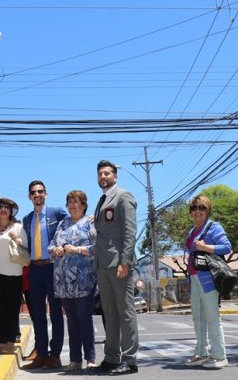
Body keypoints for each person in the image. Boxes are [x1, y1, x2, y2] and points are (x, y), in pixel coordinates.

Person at [93, 160, 139, 375]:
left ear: (115, 176)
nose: (103, 177)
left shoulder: (123, 196)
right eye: (100, 174)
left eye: (107, 173)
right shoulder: (102, 200)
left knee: (126, 312)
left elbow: (130, 231)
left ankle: (130, 361)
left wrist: (125, 261)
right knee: (110, 313)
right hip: (103, 264)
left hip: (119, 264)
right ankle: (111, 357)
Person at [48, 190, 98, 371]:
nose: (72, 205)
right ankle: (75, 359)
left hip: (84, 280)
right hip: (63, 281)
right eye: (69, 202)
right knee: (72, 320)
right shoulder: (63, 223)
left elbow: (98, 248)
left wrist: (77, 250)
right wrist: (55, 250)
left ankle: (90, 358)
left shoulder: (90, 223)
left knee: (84, 319)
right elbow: (52, 245)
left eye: (76, 201)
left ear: (84, 205)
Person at [21, 180, 68, 370]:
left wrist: (88, 219)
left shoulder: (56, 212)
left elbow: (74, 219)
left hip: (52, 267)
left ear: (46, 194)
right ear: (29, 196)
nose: (37, 194)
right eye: (33, 192)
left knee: (56, 313)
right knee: (38, 314)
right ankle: (41, 353)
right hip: (34, 269)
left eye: (40, 191)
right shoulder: (26, 219)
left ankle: (55, 355)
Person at [183, 194, 232, 369]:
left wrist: (206, 247)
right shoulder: (192, 231)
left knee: (212, 318)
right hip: (195, 279)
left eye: (202, 208)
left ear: (208, 210)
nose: (198, 211)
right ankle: (201, 352)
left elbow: (227, 247)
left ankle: (219, 355)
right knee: (198, 318)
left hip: (209, 280)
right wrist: (190, 281)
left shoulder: (213, 227)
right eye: (194, 208)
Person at [0, 198, 27, 355]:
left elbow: (26, 246)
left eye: (6, 207)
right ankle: (2, 341)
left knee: (11, 310)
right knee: (0, 310)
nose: (3, 209)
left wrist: (16, 239)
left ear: (11, 211)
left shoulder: (18, 227)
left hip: (13, 274)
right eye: (0, 207)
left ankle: (10, 343)